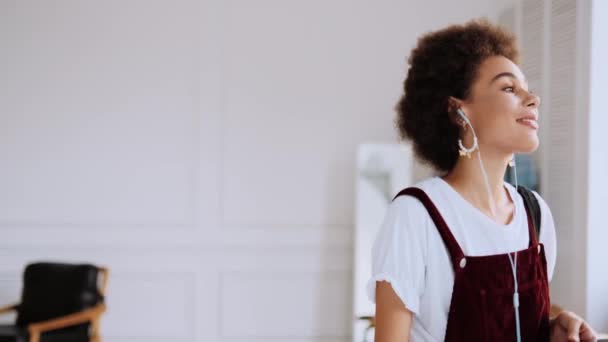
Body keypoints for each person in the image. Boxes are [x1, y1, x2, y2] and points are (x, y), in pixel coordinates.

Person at [367, 19, 597, 342]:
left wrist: (552, 326)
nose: (533, 100)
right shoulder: (415, 217)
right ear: (458, 111)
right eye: (508, 88)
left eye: (528, 89)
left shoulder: (536, 215)